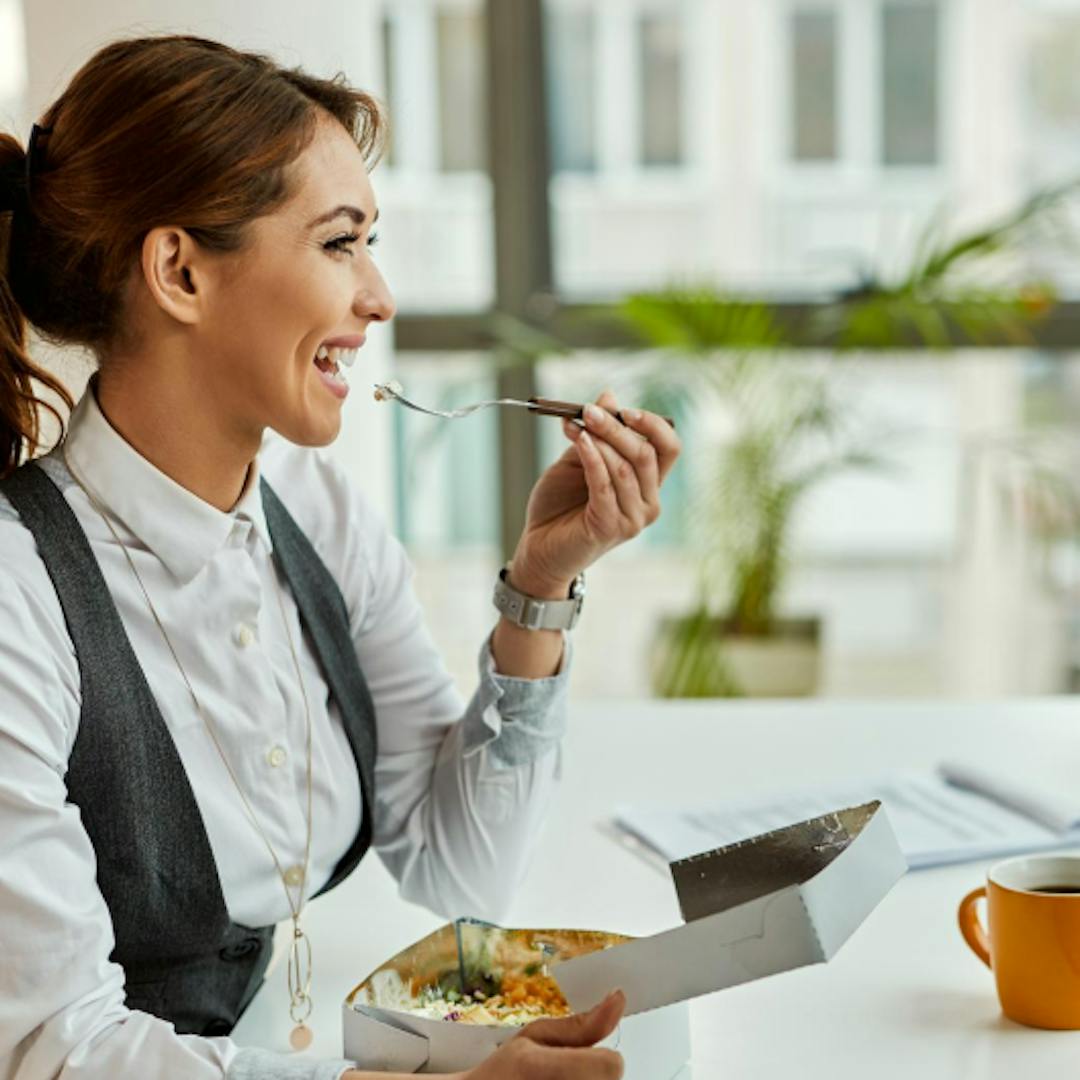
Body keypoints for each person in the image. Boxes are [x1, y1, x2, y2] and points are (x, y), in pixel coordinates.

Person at [0, 34, 680, 1080]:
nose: (380, 297)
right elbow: (59, 1051)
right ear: (179, 270)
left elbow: (463, 869)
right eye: (339, 244)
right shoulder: (16, 592)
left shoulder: (316, 510)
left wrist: (539, 589)